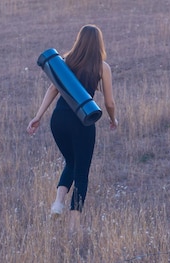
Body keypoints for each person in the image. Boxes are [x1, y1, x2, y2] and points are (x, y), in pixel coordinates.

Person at [27, 24, 117, 231]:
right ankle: (74, 225)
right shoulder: (102, 67)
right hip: (82, 122)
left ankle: (58, 203)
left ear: (79, 41)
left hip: (58, 120)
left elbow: (53, 89)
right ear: (99, 43)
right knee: (82, 171)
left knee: (71, 161)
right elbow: (109, 102)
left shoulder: (65, 62)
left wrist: (38, 116)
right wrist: (113, 119)